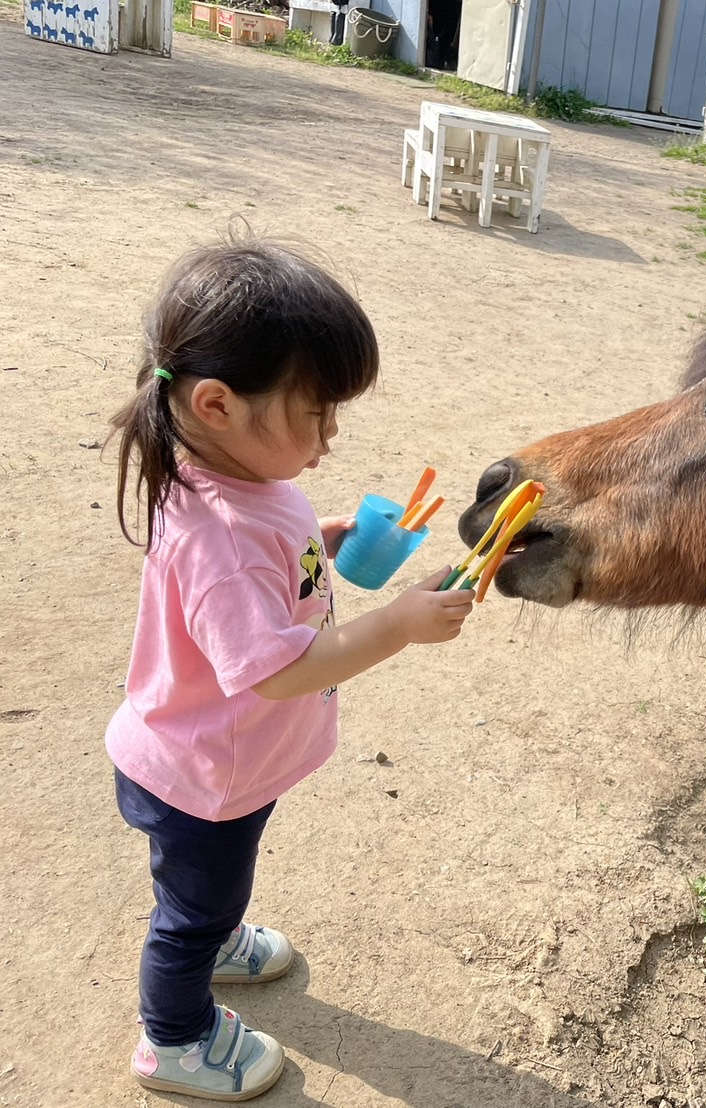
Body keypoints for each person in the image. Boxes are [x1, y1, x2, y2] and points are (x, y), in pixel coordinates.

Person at [106, 237, 475, 1100]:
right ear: (217, 404)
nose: (330, 437)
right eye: (315, 416)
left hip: (216, 756)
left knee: (213, 886)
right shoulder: (221, 536)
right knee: (187, 916)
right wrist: (396, 625)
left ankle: (217, 935)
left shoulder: (235, 479)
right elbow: (273, 670)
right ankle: (174, 1038)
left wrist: (328, 542)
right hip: (203, 774)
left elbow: (270, 570)